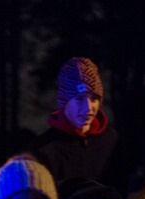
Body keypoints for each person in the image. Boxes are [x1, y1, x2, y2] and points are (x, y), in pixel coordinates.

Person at [32, 57, 125, 191]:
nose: (88, 107)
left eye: (94, 98)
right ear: (65, 101)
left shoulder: (110, 139)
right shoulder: (46, 148)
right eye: (80, 99)